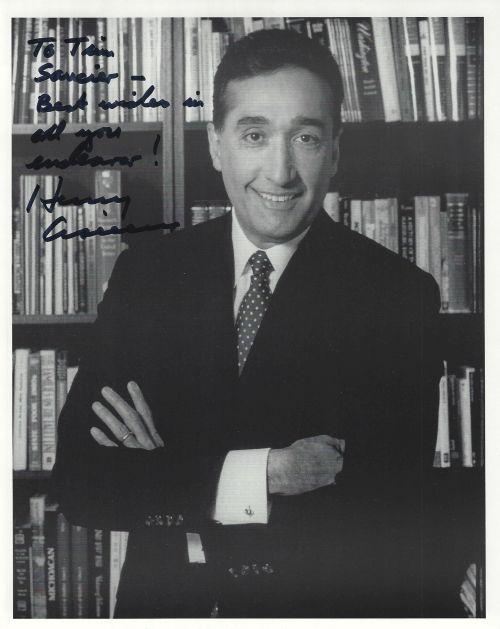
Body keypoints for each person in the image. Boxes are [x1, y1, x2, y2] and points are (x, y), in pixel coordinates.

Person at [51, 28, 470, 618]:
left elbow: (376, 513)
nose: (280, 171)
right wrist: (269, 471)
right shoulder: (148, 275)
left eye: (305, 137)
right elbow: (83, 483)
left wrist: (167, 467)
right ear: (216, 145)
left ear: (334, 152)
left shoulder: (397, 296)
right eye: (254, 135)